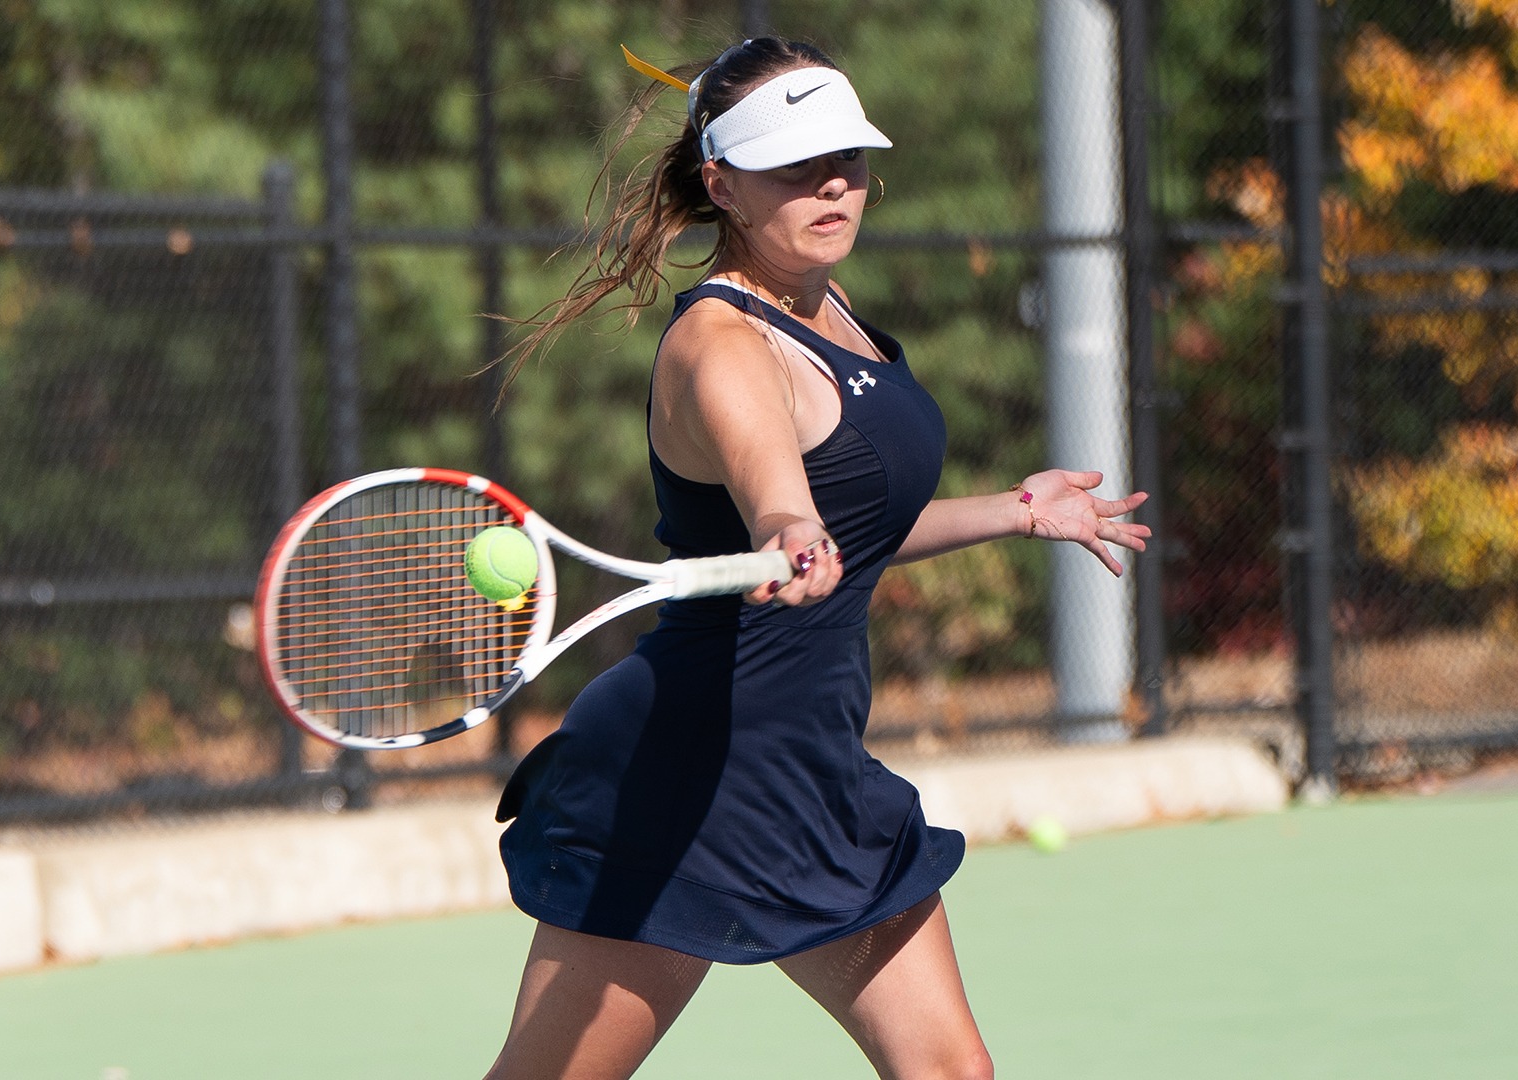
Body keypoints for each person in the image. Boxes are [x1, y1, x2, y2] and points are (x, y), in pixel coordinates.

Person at [485, 37, 1150, 1080]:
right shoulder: (723, 342)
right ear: (723, 185)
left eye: (846, 157)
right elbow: (779, 491)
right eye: (795, 165)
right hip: (684, 772)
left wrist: (1017, 511)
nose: (833, 182)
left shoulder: (833, 313)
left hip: (809, 765)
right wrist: (785, 530)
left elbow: (859, 525)